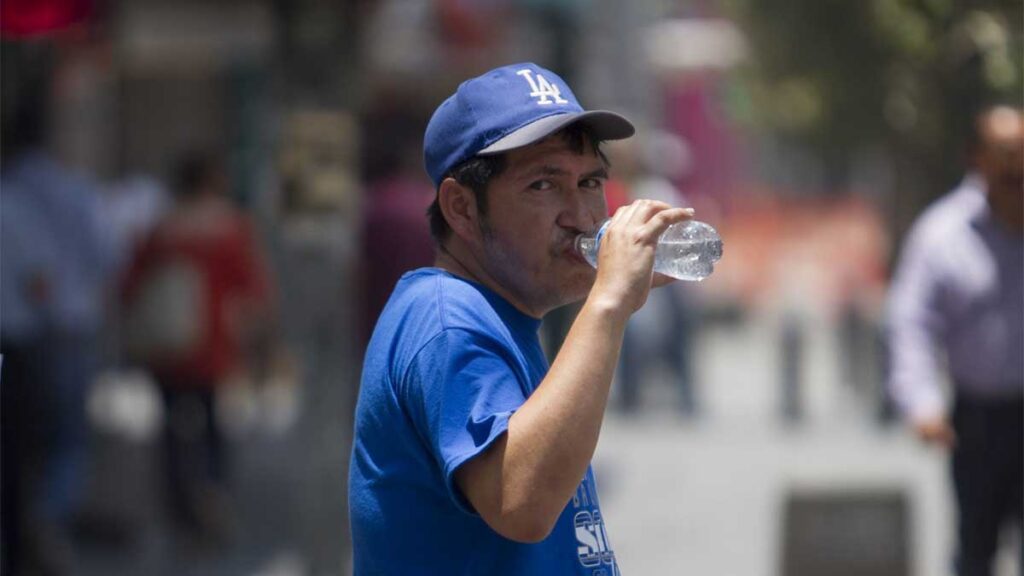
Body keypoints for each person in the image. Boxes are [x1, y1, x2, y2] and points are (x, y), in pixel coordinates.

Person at [348, 62, 693, 574]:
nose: (581, 214)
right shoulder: (447, 321)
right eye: (543, 186)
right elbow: (520, 502)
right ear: (462, 208)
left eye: (591, 181)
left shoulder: (498, 314)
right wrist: (609, 302)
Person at [886, 106, 1023, 576]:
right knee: (975, 549)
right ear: (977, 159)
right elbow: (912, 324)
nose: (1015, 167)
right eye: (1004, 155)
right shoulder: (942, 234)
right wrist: (922, 402)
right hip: (980, 420)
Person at [121, 152, 273, 545]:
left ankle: (178, 508)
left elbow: (130, 286)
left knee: (170, 429)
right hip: (211, 346)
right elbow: (253, 289)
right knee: (212, 429)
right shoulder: (230, 228)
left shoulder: (162, 228)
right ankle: (212, 502)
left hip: (167, 347)